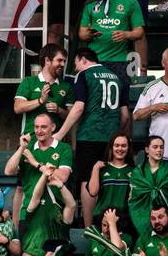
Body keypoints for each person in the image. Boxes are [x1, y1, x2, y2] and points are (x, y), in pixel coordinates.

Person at [55, 46, 130, 187]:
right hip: (112, 139)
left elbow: (78, 107)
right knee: (108, 179)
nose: (76, 69)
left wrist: (60, 134)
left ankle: (87, 211)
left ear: (83, 60)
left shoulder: (84, 75)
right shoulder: (119, 78)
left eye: (76, 64)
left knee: (87, 179)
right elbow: (125, 116)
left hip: (89, 136)